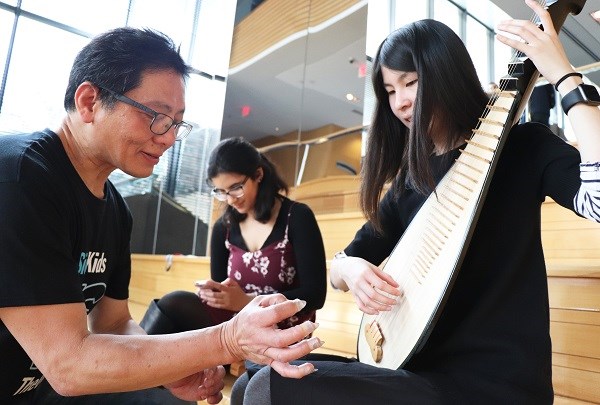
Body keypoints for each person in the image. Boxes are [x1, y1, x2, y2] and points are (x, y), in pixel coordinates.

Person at [233, 0, 600, 403]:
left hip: (497, 386)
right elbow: (340, 267)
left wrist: (564, 76)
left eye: (410, 83)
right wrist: (352, 269)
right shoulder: (412, 181)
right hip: (414, 370)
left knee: (270, 388)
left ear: (446, 75)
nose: (400, 102)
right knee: (248, 381)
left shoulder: (522, 146)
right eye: (390, 90)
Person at [0, 27, 323, 404]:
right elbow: (69, 364)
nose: (168, 137)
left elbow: (115, 323)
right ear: (89, 102)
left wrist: (173, 367)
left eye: (175, 123)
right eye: (157, 116)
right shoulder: (20, 178)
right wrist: (225, 339)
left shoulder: (115, 210)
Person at [139, 137, 327, 371]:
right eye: (221, 192)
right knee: (171, 304)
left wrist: (247, 301)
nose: (230, 199)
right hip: (235, 326)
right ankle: (135, 371)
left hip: (283, 331)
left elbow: (315, 295)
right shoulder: (223, 228)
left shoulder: (297, 216)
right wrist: (215, 294)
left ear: (258, 175)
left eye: (236, 187)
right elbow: (222, 289)